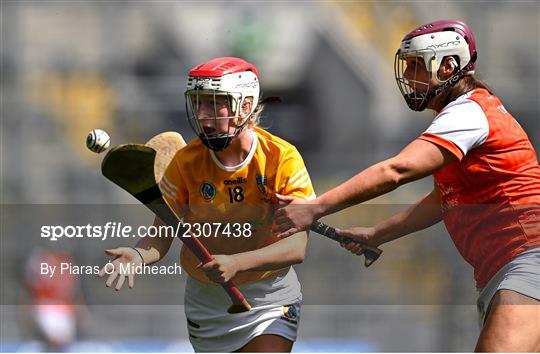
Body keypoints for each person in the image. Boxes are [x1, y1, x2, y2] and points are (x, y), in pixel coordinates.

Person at [272, 19, 540, 352]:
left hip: (528, 257)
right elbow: (444, 200)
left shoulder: (467, 114)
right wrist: (379, 233)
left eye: (417, 65)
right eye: (408, 65)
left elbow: (397, 169)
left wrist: (315, 207)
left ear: (448, 66)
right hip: (507, 266)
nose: (409, 75)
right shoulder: (463, 116)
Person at [99, 57, 315, 352]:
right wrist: (138, 255)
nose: (203, 114)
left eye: (215, 104)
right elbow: (161, 234)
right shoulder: (186, 162)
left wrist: (236, 263)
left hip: (270, 297)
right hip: (207, 304)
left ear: (245, 105)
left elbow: (296, 247)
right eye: (198, 104)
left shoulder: (281, 158)